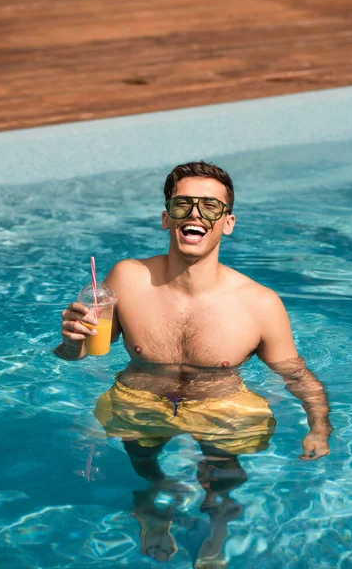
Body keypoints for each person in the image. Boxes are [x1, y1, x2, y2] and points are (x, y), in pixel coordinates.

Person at [55, 161, 332, 566]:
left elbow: (295, 374)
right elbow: (78, 354)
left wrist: (319, 429)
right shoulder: (128, 278)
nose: (196, 215)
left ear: (228, 222)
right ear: (166, 218)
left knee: (222, 475)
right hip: (139, 396)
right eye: (183, 205)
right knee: (142, 458)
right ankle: (152, 496)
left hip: (222, 404)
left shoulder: (260, 303)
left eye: (210, 207)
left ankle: (217, 524)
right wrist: (68, 343)